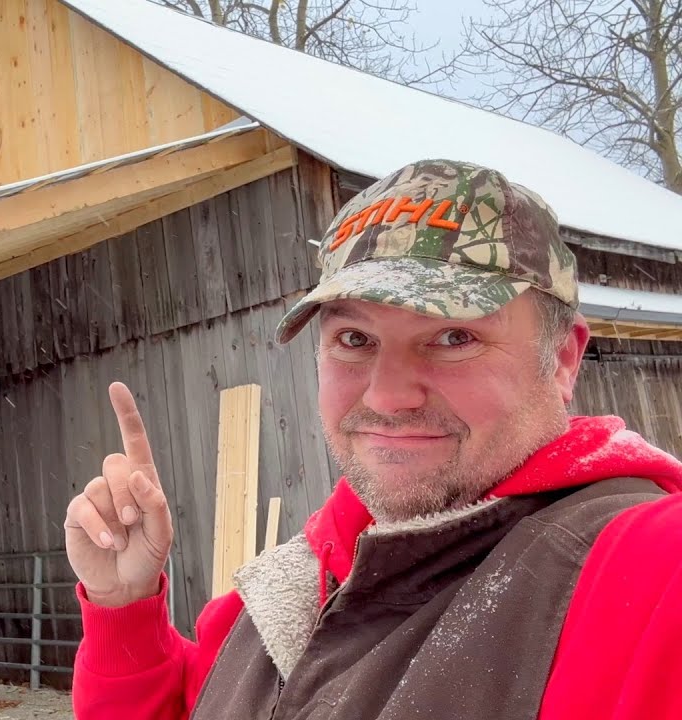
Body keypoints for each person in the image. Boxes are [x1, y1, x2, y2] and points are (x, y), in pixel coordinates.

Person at [63, 159, 682, 720]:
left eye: (453, 337)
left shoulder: (639, 575)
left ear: (564, 358)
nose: (386, 397)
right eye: (355, 340)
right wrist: (126, 609)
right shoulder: (276, 595)